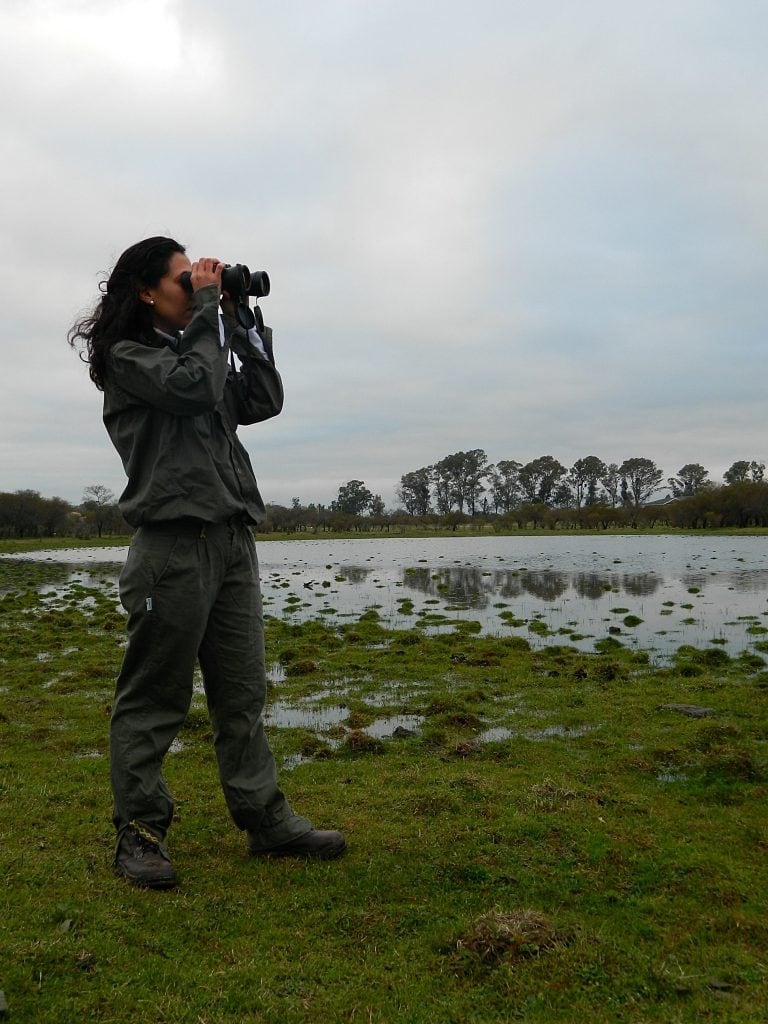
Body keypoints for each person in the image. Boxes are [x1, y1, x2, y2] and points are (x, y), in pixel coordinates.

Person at [68, 236, 345, 889]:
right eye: (181, 279)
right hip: (171, 547)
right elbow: (193, 387)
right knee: (154, 699)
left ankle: (266, 820)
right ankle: (138, 834)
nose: (194, 288)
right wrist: (208, 310)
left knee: (242, 695)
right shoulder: (127, 356)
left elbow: (263, 399)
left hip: (231, 541)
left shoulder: (204, 350)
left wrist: (242, 321)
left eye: (197, 280)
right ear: (145, 291)